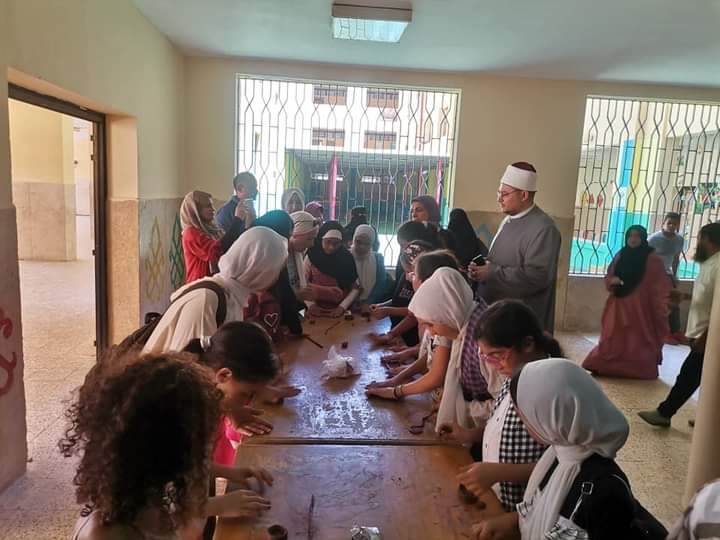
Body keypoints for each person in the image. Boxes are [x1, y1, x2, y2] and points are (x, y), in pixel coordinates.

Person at [64, 350, 272, 540]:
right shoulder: (110, 533)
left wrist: (227, 472)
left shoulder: (138, 483)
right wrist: (218, 506)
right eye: (195, 447)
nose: (201, 452)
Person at [472, 359, 636, 540]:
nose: (525, 424)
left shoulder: (605, 493)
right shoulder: (558, 456)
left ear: (553, 417)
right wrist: (510, 522)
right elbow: (541, 509)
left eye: (525, 417)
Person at [445, 300, 557, 513]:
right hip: (499, 502)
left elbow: (560, 466)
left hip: (527, 510)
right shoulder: (513, 377)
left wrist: (499, 473)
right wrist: (469, 434)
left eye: (496, 355)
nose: (493, 365)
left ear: (528, 344)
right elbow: (500, 423)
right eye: (485, 356)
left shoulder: (551, 391)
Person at [143, 226, 288, 353]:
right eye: (276, 268)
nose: (277, 276)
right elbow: (188, 367)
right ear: (259, 268)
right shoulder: (207, 300)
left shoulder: (232, 296)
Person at [183, 321, 299, 465]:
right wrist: (229, 409)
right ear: (224, 375)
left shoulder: (211, 387)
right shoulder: (188, 413)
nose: (248, 402)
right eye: (247, 394)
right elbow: (189, 470)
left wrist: (262, 392)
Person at [639, 222, 720, 427]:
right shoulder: (710, 263)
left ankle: (664, 413)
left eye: (699, 238)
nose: (696, 243)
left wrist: (706, 337)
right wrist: (685, 296)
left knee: (688, 376)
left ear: (708, 239)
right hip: (702, 333)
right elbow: (711, 298)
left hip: (709, 336)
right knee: (708, 378)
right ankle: (709, 419)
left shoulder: (718, 265)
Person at [469, 162, 561, 333]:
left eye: (504, 194)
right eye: (499, 193)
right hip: (498, 314)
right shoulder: (509, 220)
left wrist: (492, 272)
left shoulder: (544, 228)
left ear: (524, 195)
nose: (499, 199)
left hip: (521, 322)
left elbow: (537, 277)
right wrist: (482, 268)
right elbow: (502, 260)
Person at [408, 267, 497, 431]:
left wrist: (461, 408)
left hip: (488, 431)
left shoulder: (484, 342)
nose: (431, 332)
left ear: (449, 313)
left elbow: (507, 404)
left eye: (431, 324)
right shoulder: (463, 325)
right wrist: (449, 401)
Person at [365, 250, 460, 401]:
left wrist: (396, 390)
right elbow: (432, 355)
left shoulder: (444, 318)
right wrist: (399, 377)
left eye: (413, 274)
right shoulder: (441, 311)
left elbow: (437, 375)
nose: (409, 277)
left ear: (429, 280)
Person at [582, 225, 670, 379]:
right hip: (619, 304)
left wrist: (661, 306)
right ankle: (605, 366)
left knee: (637, 338)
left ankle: (637, 370)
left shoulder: (652, 259)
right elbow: (610, 275)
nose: (633, 239)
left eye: (637, 236)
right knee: (612, 335)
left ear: (643, 238)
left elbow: (660, 285)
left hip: (641, 308)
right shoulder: (621, 254)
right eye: (630, 236)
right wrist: (613, 281)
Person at [369, 240, 436, 348]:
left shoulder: (430, 293)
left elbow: (414, 315)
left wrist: (389, 311)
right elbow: (399, 300)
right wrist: (391, 334)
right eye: (405, 271)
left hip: (413, 337)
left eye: (410, 272)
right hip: (403, 336)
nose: (406, 276)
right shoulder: (407, 279)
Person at [180, 190, 247, 284]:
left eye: (212, 205)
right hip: (200, 286)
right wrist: (237, 220)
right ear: (195, 209)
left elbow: (228, 247)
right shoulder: (191, 233)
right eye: (208, 206)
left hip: (214, 283)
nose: (213, 209)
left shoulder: (212, 228)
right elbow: (215, 251)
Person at [304, 221, 360, 317]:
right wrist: (311, 305)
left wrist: (342, 307)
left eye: (336, 243)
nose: (331, 247)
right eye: (327, 242)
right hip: (314, 309)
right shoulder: (311, 255)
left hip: (339, 310)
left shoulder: (346, 258)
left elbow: (356, 288)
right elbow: (301, 284)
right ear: (321, 239)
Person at [648, 212, 686, 343]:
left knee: (674, 302)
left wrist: (675, 275)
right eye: (669, 223)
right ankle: (664, 333)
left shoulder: (679, 240)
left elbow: (675, 259)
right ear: (663, 223)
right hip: (654, 276)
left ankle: (676, 331)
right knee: (662, 305)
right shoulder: (654, 239)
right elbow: (645, 258)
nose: (671, 226)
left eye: (674, 224)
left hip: (667, 275)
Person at [351, 224, 388, 307]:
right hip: (346, 303)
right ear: (353, 239)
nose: (362, 246)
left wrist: (368, 303)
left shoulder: (378, 258)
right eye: (358, 242)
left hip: (370, 305)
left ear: (372, 244)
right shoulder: (346, 256)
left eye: (367, 243)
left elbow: (380, 284)